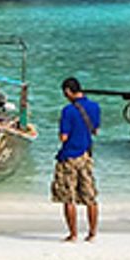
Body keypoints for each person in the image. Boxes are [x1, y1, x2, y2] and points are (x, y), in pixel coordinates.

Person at [53, 77, 101, 242]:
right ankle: (92, 234)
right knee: (90, 197)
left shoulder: (68, 110)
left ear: (67, 91)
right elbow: (95, 130)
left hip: (69, 156)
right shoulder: (95, 107)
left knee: (68, 197)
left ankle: (73, 234)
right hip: (86, 155)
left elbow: (64, 137)